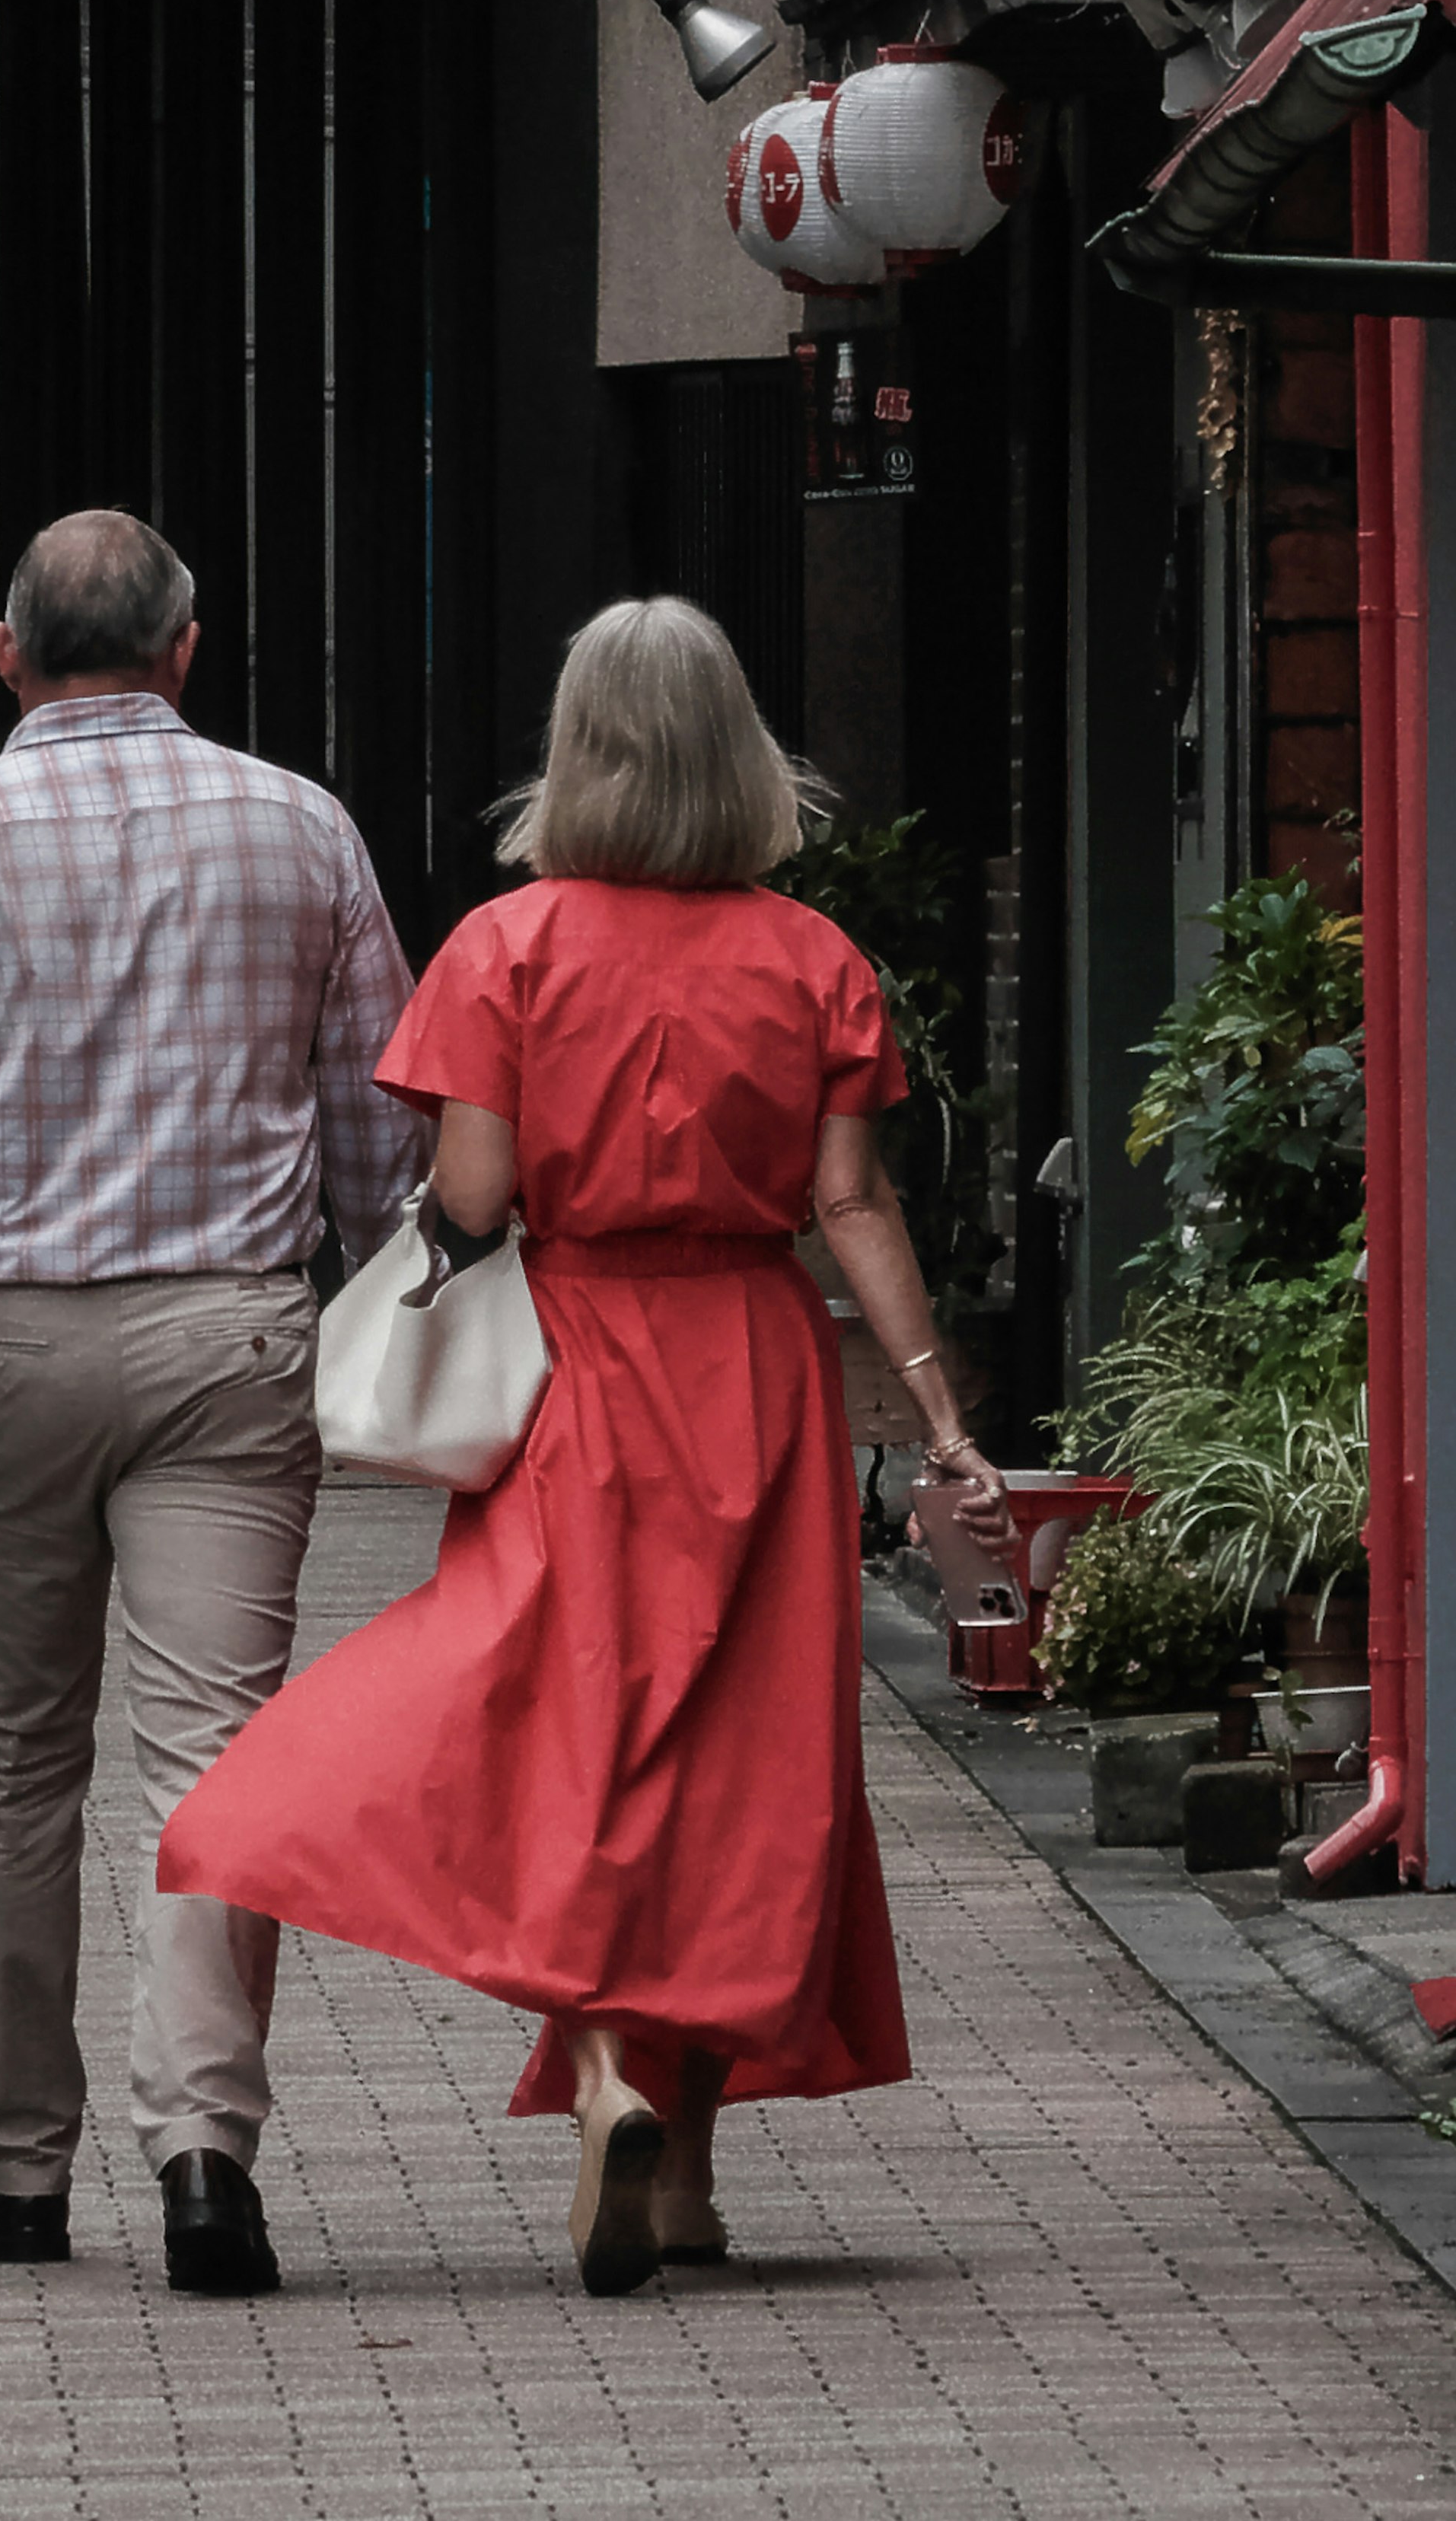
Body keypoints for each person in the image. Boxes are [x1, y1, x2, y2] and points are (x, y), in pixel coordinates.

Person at [160, 592, 1013, 2299]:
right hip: (755, 1373)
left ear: (580, 751)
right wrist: (935, 1411)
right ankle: (681, 2169)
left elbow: (473, 1203)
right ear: (736, 756)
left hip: (581, 1372)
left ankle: (612, 2067)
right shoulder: (812, 958)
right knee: (742, 1766)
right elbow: (849, 1203)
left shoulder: (506, 948)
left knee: (578, 1730)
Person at [0, 503, 421, 2300]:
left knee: (7, 1760)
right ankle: (204, 2164)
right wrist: (398, 1312)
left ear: (5, 656)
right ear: (185, 649)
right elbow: (380, 1128)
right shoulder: (300, 828)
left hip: (8, 1349)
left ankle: (18, 2175)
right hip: (232, 1346)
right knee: (217, 1756)